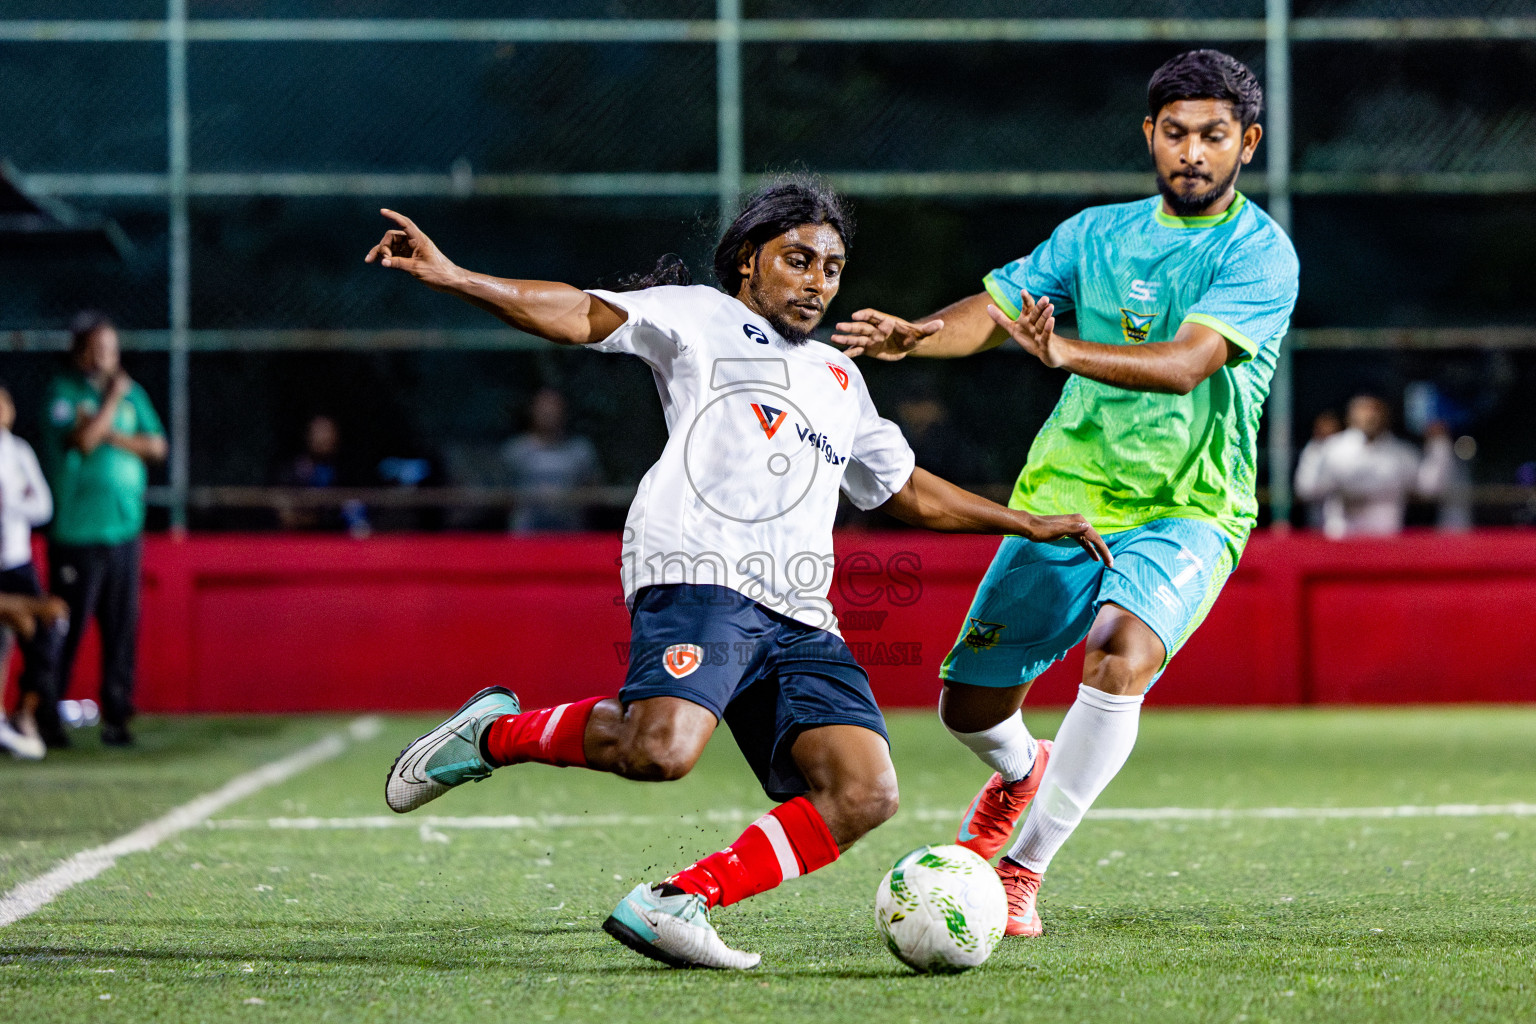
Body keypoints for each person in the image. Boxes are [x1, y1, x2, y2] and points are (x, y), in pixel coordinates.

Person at [366, 179, 1111, 969]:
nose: (817, 280)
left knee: (864, 793)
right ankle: (492, 734)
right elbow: (578, 313)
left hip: (800, 612)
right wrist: (458, 277)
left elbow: (902, 489)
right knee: (661, 752)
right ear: (750, 263)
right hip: (699, 569)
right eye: (798, 259)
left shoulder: (840, 377)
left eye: (832, 266)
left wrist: (1023, 520)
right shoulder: (700, 314)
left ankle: (677, 900)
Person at [833, 50, 1300, 937]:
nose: (1191, 153)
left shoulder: (1259, 254)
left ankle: (1022, 869)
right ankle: (1019, 772)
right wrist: (915, 336)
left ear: (1248, 142)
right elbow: (999, 306)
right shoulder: (1095, 234)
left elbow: (1189, 364)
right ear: (1149, 138)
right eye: (1174, 134)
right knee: (968, 704)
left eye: (1212, 136)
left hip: (1191, 504)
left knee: (1119, 654)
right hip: (1068, 494)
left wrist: (1064, 353)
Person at [38, 311, 167, 748]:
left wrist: (112, 432)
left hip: (123, 531)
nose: (108, 357)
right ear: (80, 351)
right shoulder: (62, 393)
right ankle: (46, 715)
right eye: (99, 348)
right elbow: (82, 441)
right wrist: (111, 405)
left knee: (121, 628)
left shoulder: (133, 396)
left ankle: (117, 716)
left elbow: (156, 444)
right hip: (77, 533)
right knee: (66, 630)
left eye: (112, 348)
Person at [0, 382, 64, 760]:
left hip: (16, 563)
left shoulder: (18, 452)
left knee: (48, 624)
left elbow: (42, 507)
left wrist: (9, 506)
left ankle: (25, 713)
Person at [1293, 394, 1453, 538]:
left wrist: (1439, 446)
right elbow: (1307, 489)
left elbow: (1429, 489)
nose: (1369, 416)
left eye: (1375, 409)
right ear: (1350, 414)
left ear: (1386, 414)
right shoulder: (1332, 449)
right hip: (1342, 541)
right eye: (1363, 409)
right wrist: (1316, 446)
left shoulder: (1401, 454)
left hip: (1386, 544)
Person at [500, 387, 602, 532]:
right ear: (532, 411)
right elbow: (501, 494)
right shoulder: (515, 450)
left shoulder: (580, 451)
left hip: (570, 536)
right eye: (543, 407)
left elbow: (595, 493)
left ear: (564, 411)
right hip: (525, 535)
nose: (548, 412)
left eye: (554, 406)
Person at [1294, 409, 1343, 529]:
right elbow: (1303, 488)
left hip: (1345, 517)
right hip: (1316, 515)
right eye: (1321, 426)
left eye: (1329, 425)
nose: (1325, 429)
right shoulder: (1312, 450)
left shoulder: (1346, 447)